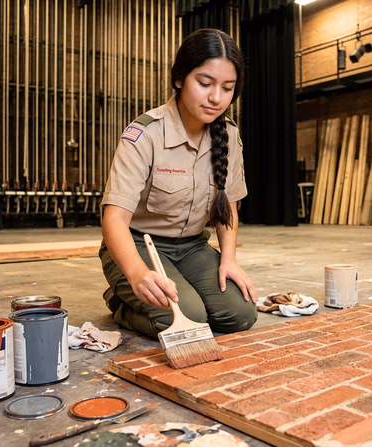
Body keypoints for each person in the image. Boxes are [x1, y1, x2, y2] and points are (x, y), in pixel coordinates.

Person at [99, 28, 258, 339]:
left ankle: (178, 295)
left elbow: (228, 209)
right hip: (140, 246)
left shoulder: (229, 134)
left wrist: (229, 260)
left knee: (240, 314)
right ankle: (120, 303)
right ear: (179, 79)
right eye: (205, 83)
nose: (216, 98)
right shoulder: (145, 134)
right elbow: (114, 219)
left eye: (227, 88)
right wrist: (137, 273)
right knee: (188, 318)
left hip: (192, 247)